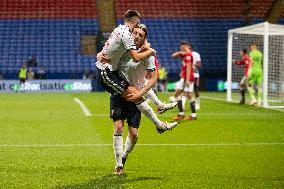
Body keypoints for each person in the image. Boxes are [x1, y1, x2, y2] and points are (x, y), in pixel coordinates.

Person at [109, 24, 177, 175]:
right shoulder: (122, 48)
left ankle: (124, 157)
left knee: (134, 134)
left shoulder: (149, 55)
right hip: (119, 93)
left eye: (141, 35)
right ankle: (118, 165)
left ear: (145, 39)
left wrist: (141, 93)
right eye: (136, 33)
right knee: (118, 128)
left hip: (137, 94)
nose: (137, 36)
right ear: (131, 34)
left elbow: (152, 79)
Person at [96, 10, 177, 132]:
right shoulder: (127, 35)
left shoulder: (118, 29)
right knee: (136, 96)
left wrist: (99, 55)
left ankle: (159, 109)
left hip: (110, 71)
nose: (138, 25)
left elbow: (104, 51)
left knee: (139, 86)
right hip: (107, 73)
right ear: (134, 21)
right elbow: (136, 57)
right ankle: (160, 124)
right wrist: (150, 51)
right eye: (137, 22)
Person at [171, 41, 197, 121]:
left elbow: (189, 68)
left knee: (179, 93)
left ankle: (184, 114)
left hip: (187, 78)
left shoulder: (188, 55)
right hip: (185, 77)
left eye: (181, 47)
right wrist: (180, 52)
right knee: (187, 95)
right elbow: (173, 56)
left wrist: (187, 80)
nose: (181, 48)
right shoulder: (186, 54)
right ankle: (189, 115)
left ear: (186, 46)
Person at [190, 45, 202, 110]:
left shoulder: (196, 54)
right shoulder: (185, 54)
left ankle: (197, 104)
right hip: (187, 74)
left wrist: (192, 64)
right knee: (185, 90)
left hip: (195, 75)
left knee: (196, 90)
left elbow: (199, 65)